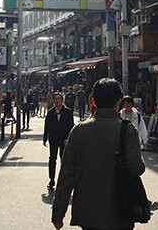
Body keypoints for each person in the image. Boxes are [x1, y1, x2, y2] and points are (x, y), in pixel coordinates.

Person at [52, 78, 145, 230]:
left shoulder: (78, 131)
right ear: (119, 101)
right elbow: (136, 169)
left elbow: (67, 175)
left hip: (88, 211)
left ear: (93, 101)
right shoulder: (127, 130)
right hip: (120, 210)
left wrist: (58, 214)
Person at [43, 92, 74, 189]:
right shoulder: (50, 112)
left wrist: (69, 138)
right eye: (55, 99)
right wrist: (45, 138)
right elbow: (46, 126)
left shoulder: (68, 112)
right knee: (52, 159)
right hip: (53, 139)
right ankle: (51, 180)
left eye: (58, 99)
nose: (56, 101)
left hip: (64, 139)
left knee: (64, 160)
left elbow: (71, 126)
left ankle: (63, 180)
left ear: (62, 100)